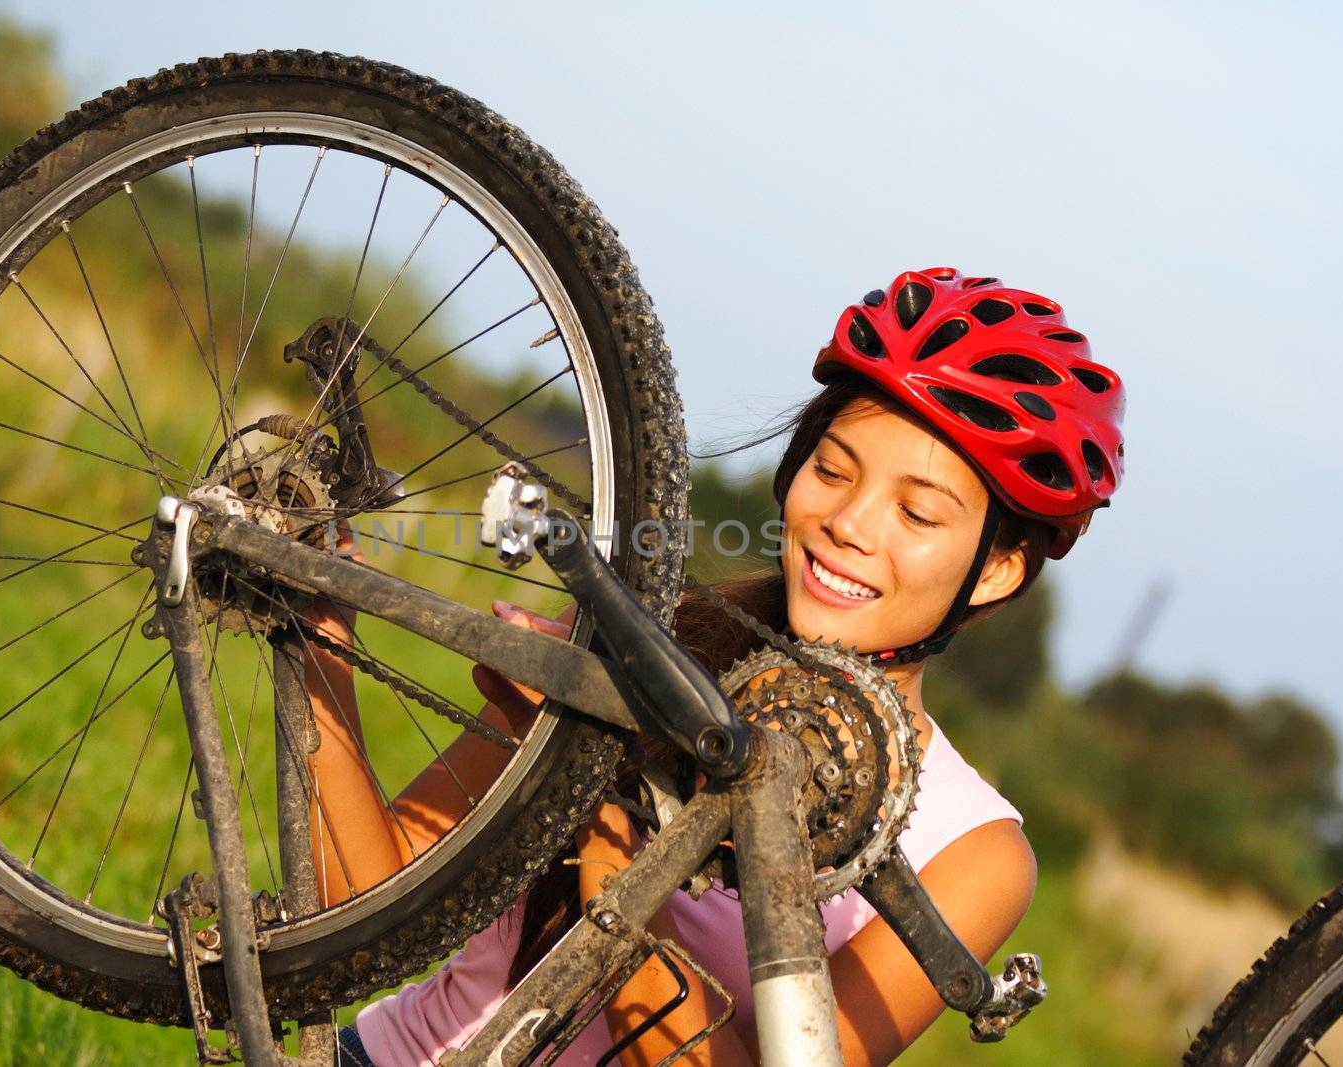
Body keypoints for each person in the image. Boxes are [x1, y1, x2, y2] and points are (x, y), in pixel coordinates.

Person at [299, 267, 1127, 1065]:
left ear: (996, 569)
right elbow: (358, 895)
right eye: (832, 469)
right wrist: (313, 626)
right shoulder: (640, 634)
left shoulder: (972, 849)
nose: (848, 522)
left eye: (916, 511)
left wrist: (593, 792)